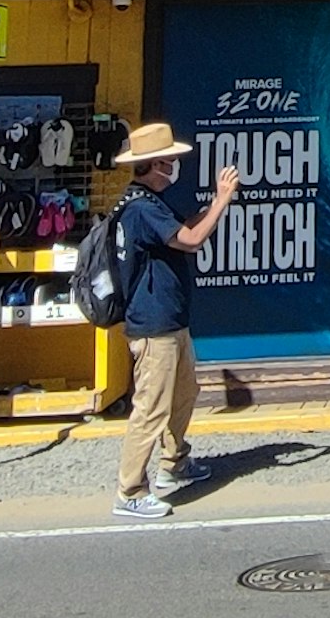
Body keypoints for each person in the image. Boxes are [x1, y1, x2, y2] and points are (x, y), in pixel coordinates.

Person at [110, 122, 239, 521]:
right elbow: (191, 240)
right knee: (150, 407)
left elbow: (184, 229)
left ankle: (175, 462)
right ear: (153, 165)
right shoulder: (141, 209)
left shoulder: (151, 203)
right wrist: (221, 201)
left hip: (170, 321)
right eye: (169, 162)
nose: (174, 167)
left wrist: (214, 206)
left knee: (184, 393)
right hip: (153, 325)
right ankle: (130, 490)